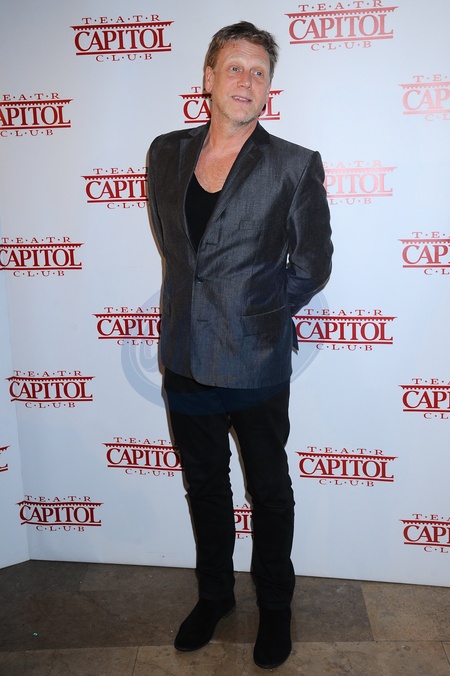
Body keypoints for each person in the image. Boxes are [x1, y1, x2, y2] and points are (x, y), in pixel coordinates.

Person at [147, 21, 332, 670]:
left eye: (259, 72)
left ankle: (275, 607)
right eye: (234, 67)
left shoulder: (293, 165)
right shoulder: (165, 153)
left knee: (269, 490)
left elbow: (312, 265)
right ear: (208, 78)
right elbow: (179, 252)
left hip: (255, 362)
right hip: (185, 358)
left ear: (269, 87)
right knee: (204, 486)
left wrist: (256, 314)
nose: (246, 81)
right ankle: (215, 596)